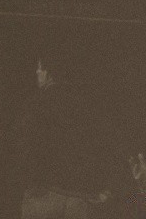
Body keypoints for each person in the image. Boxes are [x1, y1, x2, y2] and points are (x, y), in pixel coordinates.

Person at [17, 53, 119, 219]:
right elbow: (110, 147)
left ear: (48, 73)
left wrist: (32, 184)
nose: (36, 72)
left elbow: (27, 146)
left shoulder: (38, 103)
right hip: (83, 200)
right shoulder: (91, 107)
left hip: (45, 196)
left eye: (39, 68)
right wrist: (105, 191)